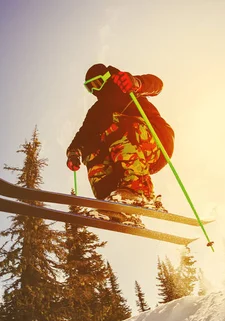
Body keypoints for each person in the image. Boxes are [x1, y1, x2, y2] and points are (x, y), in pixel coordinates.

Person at [66, 64, 174, 212]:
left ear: (106, 78)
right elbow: (84, 133)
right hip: (125, 156)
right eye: (89, 87)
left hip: (155, 141)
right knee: (91, 151)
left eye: (96, 84)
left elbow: (156, 84)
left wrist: (137, 83)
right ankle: (113, 203)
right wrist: (74, 151)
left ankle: (138, 191)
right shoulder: (95, 112)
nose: (94, 90)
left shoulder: (124, 86)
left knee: (117, 126)